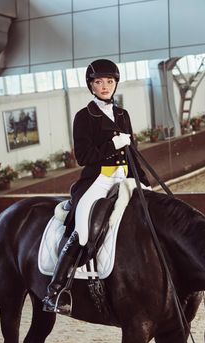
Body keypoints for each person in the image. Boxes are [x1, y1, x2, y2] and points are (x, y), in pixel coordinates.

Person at [42, 59, 150, 313]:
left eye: (110, 82)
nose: (105, 86)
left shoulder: (123, 115)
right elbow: (84, 156)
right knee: (84, 228)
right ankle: (56, 290)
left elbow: (133, 153)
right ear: (91, 85)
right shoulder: (84, 116)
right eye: (99, 82)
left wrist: (144, 181)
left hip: (125, 176)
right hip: (98, 180)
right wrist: (112, 145)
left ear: (115, 84)